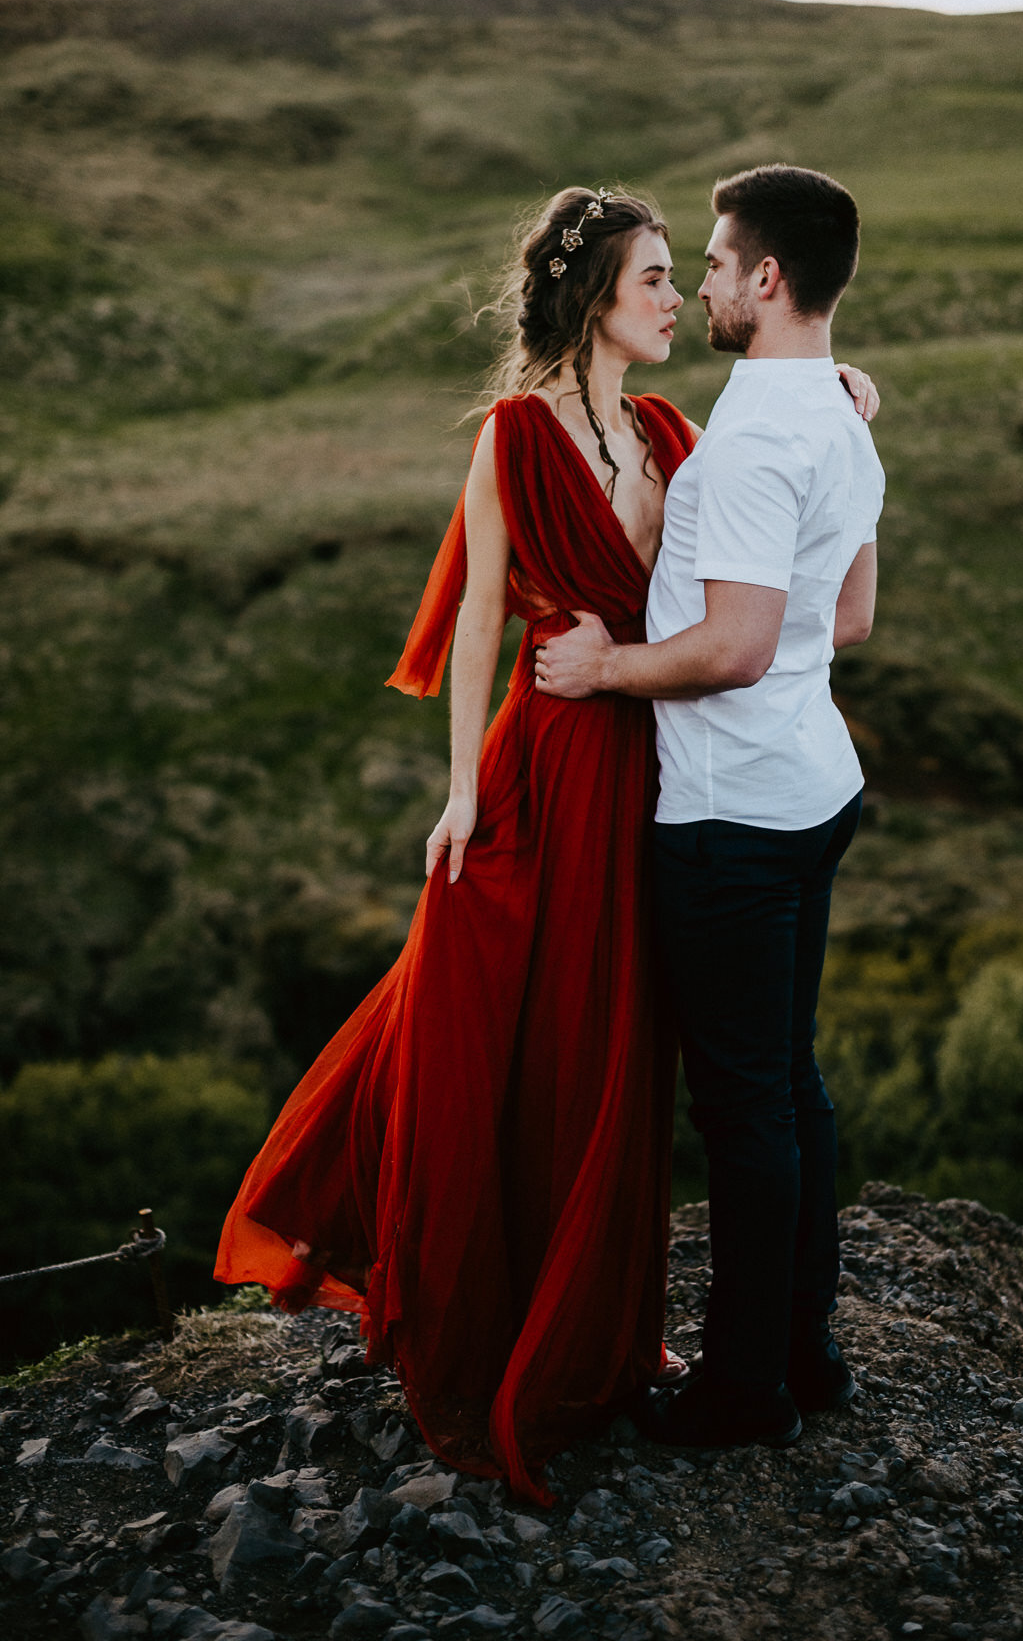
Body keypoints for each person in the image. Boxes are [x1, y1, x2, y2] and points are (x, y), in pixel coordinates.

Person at [215, 183, 878, 1503]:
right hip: (552, 754)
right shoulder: (514, 434)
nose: (676, 294)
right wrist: (462, 789)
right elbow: (472, 619)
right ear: (592, 300)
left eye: (685, 273)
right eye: (650, 278)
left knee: (620, 1043)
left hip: (654, 749)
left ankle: (612, 1314)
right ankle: (505, 1298)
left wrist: (837, 403)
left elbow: (764, 569)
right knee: (507, 1021)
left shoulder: (678, 430)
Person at [535, 164, 885, 1450]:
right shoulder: (844, 417)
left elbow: (736, 647)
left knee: (741, 1105)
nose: (707, 288)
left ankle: (744, 1391)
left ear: (769, 280)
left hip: (731, 814)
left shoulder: (748, 441)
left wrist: (606, 667)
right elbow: (843, 619)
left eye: (721, 265)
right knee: (788, 1087)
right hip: (813, 787)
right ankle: (805, 1350)